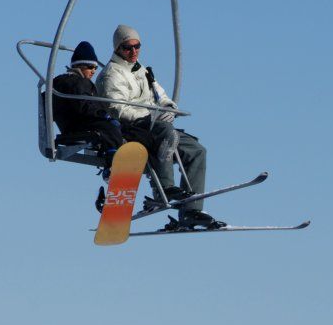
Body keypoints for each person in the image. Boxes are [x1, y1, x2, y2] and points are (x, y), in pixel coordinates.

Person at [96, 24, 222, 229]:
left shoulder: (143, 70)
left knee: (196, 150)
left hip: (154, 124)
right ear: (118, 48)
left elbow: (161, 96)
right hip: (131, 127)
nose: (133, 51)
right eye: (128, 47)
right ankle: (165, 188)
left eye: (137, 46)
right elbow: (116, 109)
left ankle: (192, 210)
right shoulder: (112, 74)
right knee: (166, 133)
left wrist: (168, 109)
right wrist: (151, 116)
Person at [51, 41, 124, 212]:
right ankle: (113, 165)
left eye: (95, 68)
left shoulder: (63, 82)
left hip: (72, 125)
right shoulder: (78, 83)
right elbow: (85, 106)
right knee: (111, 128)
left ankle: (114, 163)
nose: (93, 71)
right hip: (79, 127)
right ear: (80, 66)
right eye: (91, 67)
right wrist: (104, 116)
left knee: (111, 130)